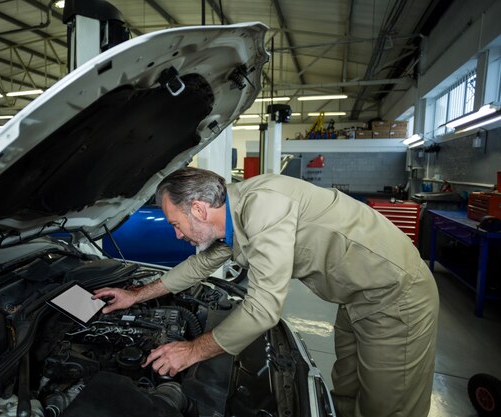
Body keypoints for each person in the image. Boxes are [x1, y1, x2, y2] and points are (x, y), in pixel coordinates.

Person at [93, 167, 439, 417]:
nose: (178, 235)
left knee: (387, 406)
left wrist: (193, 351)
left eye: (175, 224)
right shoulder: (234, 215)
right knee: (347, 392)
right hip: (355, 299)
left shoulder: (262, 208)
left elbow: (263, 308)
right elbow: (197, 268)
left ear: (198, 209)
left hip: (395, 296)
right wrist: (136, 295)